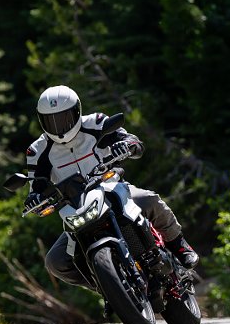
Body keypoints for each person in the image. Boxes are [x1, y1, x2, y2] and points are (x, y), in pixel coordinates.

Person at [25, 85, 199, 291]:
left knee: (149, 199)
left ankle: (179, 245)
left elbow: (132, 140)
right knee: (55, 262)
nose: (58, 126)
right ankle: (108, 287)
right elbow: (36, 185)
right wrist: (34, 198)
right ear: (40, 120)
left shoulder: (96, 123)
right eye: (51, 120)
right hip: (76, 207)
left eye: (63, 118)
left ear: (77, 111)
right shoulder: (37, 150)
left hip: (111, 187)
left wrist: (127, 144)